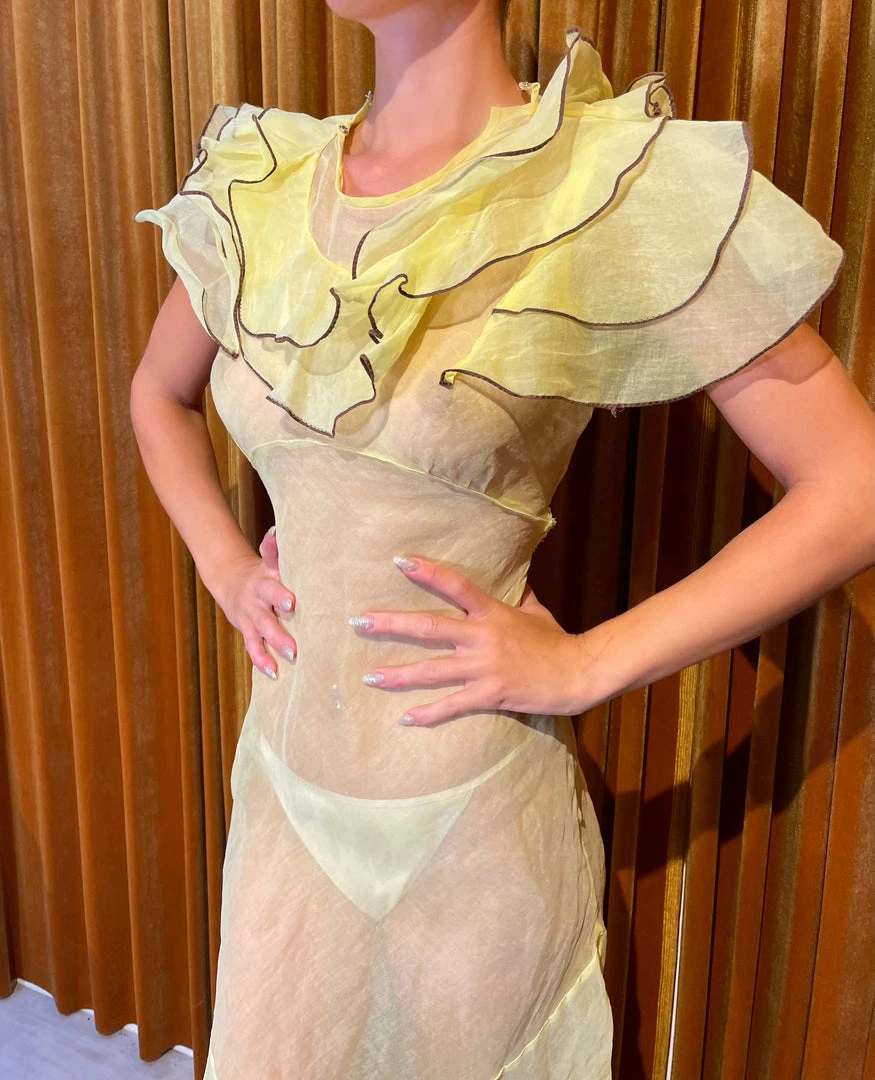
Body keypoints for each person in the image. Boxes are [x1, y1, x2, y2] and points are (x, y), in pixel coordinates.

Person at [129, 3, 875, 1077]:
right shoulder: (267, 185)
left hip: (474, 826)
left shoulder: (599, 185)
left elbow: (852, 487)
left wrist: (587, 665)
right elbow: (158, 396)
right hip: (283, 794)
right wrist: (226, 564)